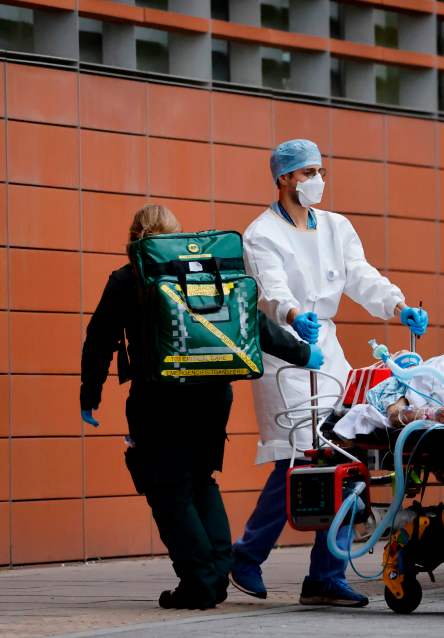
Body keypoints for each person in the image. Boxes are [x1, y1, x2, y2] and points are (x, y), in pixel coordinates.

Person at [80, 204, 325, 610]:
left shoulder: (128, 279)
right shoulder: (209, 273)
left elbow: (99, 339)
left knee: (167, 488)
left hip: (159, 397)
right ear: (175, 235)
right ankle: (217, 571)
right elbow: (254, 323)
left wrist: (90, 395)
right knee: (201, 479)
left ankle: (199, 582)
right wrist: (302, 353)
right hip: (214, 394)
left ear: (134, 238)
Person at [230, 139, 429, 607]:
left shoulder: (337, 227)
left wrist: (398, 306)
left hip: (329, 350)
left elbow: (361, 275)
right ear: (283, 178)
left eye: (320, 170)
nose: (317, 180)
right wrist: (293, 314)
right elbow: (271, 288)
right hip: (288, 354)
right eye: (307, 173)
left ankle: (326, 573)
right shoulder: (261, 234)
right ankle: (247, 555)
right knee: (298, 460)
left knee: (343, 456)